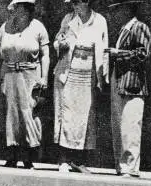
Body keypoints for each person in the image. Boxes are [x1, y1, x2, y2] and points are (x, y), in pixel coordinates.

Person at [0, 0, 50, 169]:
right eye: (16, 7)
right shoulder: (5, 27)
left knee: (28, 113)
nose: (17, 10)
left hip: (30, 75)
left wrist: (44, 77)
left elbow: (45, 54)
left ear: (28, 9)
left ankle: (28, 157)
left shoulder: (38, 27)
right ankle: (12, 155)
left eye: (20, 7)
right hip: (9, 74)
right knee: (11, 115)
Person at [53, 0, 108, 174]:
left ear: (87, 2)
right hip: (67, 73)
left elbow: (104, 49)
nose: (75, 6)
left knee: (84, 117)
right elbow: (57, 40)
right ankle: (63, 160)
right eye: (73, 3)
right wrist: (60, 43)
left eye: (78, 2)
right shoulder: (68, 19)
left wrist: (102, 77)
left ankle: (78, 160)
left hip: (88, 75)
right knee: (66, 116)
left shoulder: (99, 21)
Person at [106, 0, 151, 178]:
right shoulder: (123, 30)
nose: (116, 13)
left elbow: (142, 54)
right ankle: (122, 166)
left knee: (131, 126)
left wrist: (118, 54)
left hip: (133, 85)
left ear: (127, 9)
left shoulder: (139, 27)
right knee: (119, 126)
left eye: (118, 9)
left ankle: (131, 167)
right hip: (119, 82)